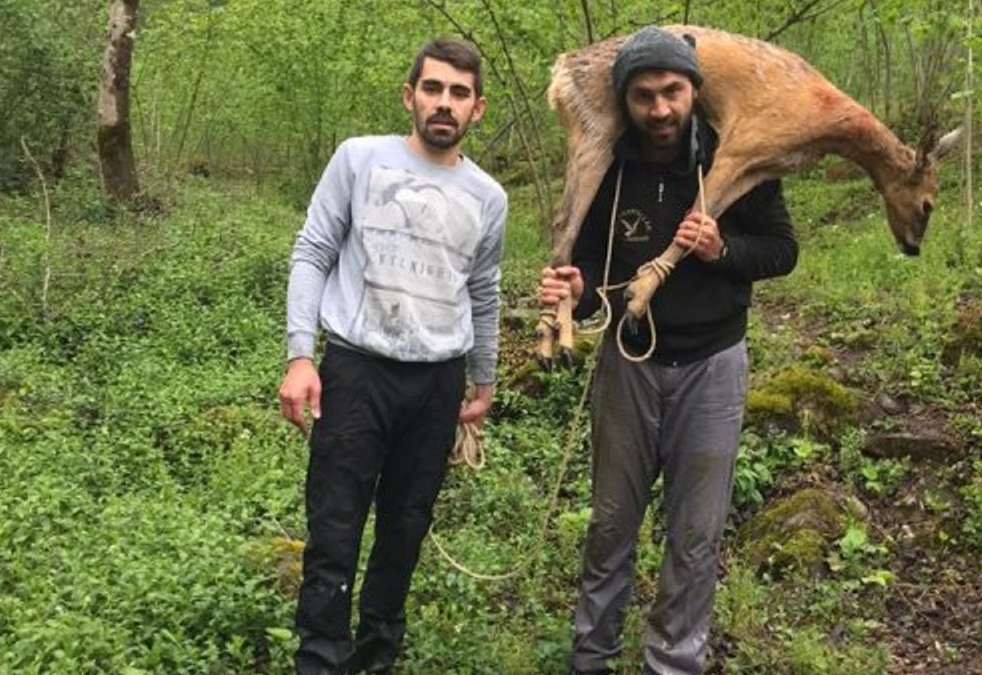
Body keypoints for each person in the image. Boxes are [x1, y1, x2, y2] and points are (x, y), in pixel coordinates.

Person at [539, 26, 798, 675]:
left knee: (693, 532)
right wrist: (576, 292)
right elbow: (598, 280)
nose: (660, 109)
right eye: (645, 95)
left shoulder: (734, 156)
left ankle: (674, 661)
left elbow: (782, 250)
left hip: (713, 364)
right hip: (628, 365)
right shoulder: (609, 165)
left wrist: (721, 250)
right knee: (610, 523)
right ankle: (590, 655)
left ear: (694, 90)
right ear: (624, 100)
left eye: (673, 92)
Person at [278, 37, 507, 675]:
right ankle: (320, 660)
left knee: (404, 531)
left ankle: (376, 656)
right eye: (433, 88)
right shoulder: (358, 159)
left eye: (459, 93)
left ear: (477, 109)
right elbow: (313, 252)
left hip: (437, 382)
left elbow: (484, 290)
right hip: (355, 369)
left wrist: (483, 379)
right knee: (335, 527)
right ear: (410, 96)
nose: (445, 103)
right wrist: (302, 356)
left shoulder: (489, 197)